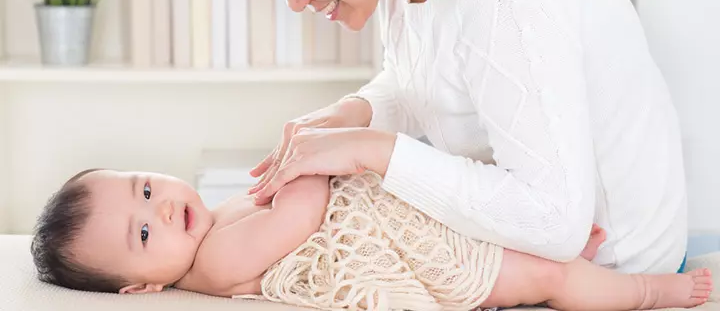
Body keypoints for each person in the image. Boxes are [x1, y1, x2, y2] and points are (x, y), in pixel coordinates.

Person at [213, 0, 688, 275]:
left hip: (614, 268)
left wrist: (373, 150)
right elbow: (432, 79)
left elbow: (557, 222)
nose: (294, 2)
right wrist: (356, 112)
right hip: (544, 254)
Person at [31, 168, 711, 310]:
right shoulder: (210, 266)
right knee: (545, 280)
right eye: (143, 231)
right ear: (145, 285)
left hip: (407, 223)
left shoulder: (212, 219)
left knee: (497, 219)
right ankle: (659, 290)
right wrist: (311, 162)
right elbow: (299, 219)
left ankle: (562, 250)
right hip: (410, 259)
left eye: (146, 187)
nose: (162, 206)